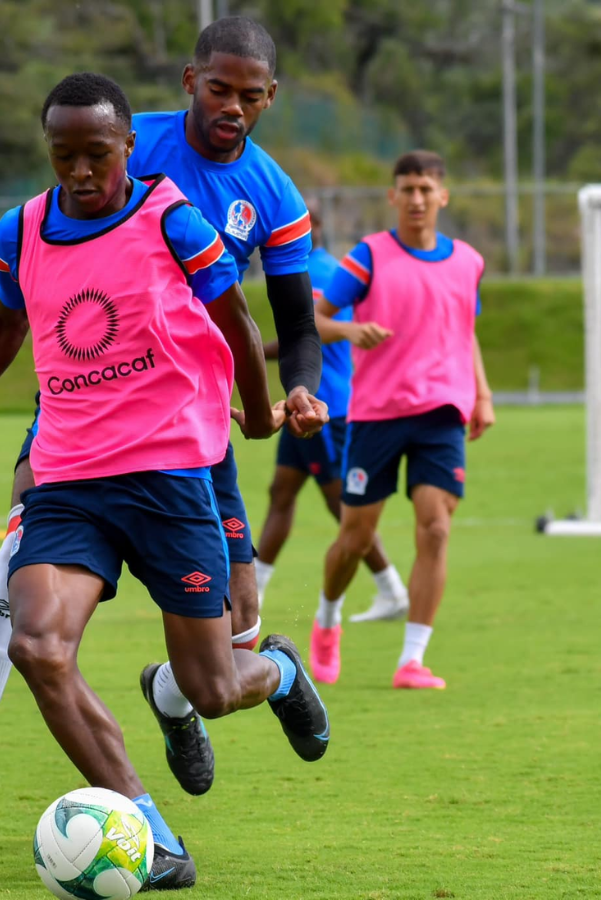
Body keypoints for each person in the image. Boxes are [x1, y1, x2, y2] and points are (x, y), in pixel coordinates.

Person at [0, 73, 330, 891]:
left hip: (169, 477)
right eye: (62, 155)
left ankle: (277, 671)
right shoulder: (22, 230)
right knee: (37, 646)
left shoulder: (172, 219)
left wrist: (257, 413)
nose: (80, 171)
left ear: (128, 147)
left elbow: (238, 320)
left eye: (96, 154)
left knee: (211, 687)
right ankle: (153, 835)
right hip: (69, 479)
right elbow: (5, 322)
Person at [315, 150, 495, 690]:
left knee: (435, 528)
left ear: (443, 196)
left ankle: (412, 660)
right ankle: (328, 619)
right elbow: (315, 320)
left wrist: (483, 395)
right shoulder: (368, 256)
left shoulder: (468, 261)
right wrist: (351, 331)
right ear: (393, 197)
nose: (417, 199)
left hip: (442, 412)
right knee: (355, 537)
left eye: (426, 189)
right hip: (377, 414)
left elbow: (466, 331)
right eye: (408, 190)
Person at [251, 199, 409, 685]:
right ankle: (253, 592)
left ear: (312, 226)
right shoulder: (308, 268)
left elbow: (310, 333)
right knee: (281, 493)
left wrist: (247, 351)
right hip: (304, 404)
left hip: (327, 407)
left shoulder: (320, 272)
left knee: (343, 506)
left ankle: (391, 588)